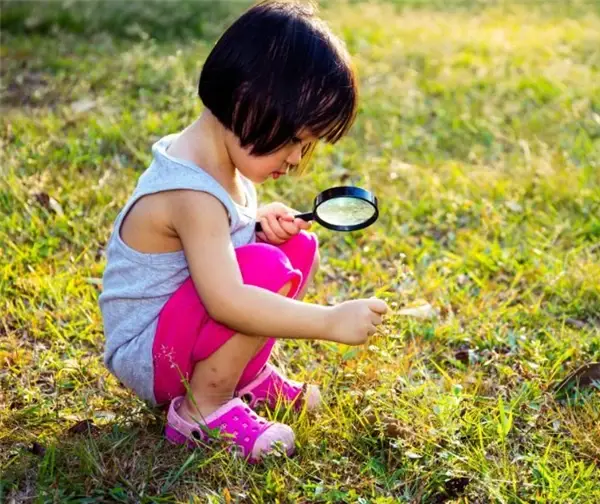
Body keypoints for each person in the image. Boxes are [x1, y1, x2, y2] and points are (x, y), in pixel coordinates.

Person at [99, 0, 388, 464]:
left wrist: (254, 223)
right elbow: (226, 300)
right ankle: (202, 409)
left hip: (179, 330)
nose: (296, 159)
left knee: (296, 243)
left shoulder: (218, 159)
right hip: (151, 356)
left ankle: (244, 379)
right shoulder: (190, 191)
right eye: (295, 139)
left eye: (307, 145)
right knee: (267, 267)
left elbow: (210, 245)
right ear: (247, 99)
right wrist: (329, 321)